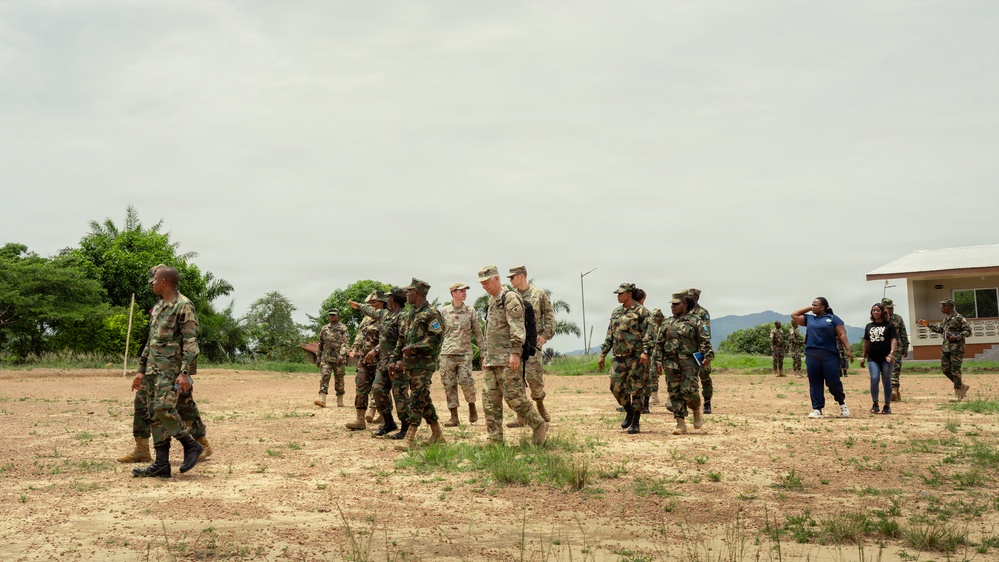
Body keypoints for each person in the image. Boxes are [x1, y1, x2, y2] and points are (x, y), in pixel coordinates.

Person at [119, 266, 213, 465]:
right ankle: (142, 449)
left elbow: (191, 342)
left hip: (172, 371)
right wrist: (140, 371)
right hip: (152, 371)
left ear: (163, 282)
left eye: (154, 280)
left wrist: (185, 373)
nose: (151, 283)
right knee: (142, 405)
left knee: (181, 406)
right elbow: (151, 341)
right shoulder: (159, 307)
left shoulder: (184, 306)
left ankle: (200, 445)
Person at [477, 265, 548, 445]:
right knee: (489, 402)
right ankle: (495, 439)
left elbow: (517, 327)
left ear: (496, 279)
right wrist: (485, 357)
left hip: (508, 360)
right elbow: (490, 331)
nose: (484, 286)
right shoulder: (492, 301)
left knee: (515, 399)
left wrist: (515, 353)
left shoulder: (509, 298)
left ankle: (538, 424)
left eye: (486, 282)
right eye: (482, 284)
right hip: (493, 361)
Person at [392, 278, 445, 451]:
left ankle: (410, 437)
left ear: (419, 293)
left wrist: (414, 348)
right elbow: (401, 338)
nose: (407, 295)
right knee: (423, 397)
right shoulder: (410, 313)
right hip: (410, 364)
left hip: (424, 364)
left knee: (416, 398)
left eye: (410, 291)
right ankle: (437, 434)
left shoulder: (432, 313)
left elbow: (435, 339)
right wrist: (395, 359)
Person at [351, 287, 407, 437]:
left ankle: (405, 428)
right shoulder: (386, 314)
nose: (387, 299)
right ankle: (388, 422)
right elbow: (371, 312)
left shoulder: (402, 317)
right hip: (384, 361)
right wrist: (359, 305)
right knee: (377, 389)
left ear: (393, 299)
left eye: (389, 297)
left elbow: (405, 340)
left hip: (396, 361)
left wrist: (399, 359)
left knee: (399, 394)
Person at [656, 291, 713, 434]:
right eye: (672, 304)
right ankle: (680, 423)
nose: (673, 307)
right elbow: (659, 344)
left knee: (690, 390)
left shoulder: (696, 322)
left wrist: (707, 357)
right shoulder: (667, 323)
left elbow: (704, 341)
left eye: (676, 304)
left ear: (685, 304)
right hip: (670, 363)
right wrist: (657, 361)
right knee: (674, 392)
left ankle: (696, 411)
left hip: (689, 363)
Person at [598, 283, 651, 434]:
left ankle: (636, 422)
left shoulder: (642, 312)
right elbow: (610, 335)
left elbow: (649, 333)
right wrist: (603, 354)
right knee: (615, 386)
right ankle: (629, 411)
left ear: (629, 294)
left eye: (620, 293)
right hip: (619, 357)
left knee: (637, 389)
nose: (618, 296)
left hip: (636, 356)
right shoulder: (616, 312)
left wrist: (645, 352)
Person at [507, 265, 556, 426]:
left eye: (512, 277)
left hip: (533, 345)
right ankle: (521, 417)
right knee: (516, 381)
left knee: (534, 379)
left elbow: (549, 316)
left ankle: (540, 404)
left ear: (521, 276)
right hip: (516, 345)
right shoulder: (510, 296)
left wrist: (543, 337)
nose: (510, 280)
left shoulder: (538, 294)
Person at [791, 297, 853, 419]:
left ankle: (842, 404)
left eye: (816, 305)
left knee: (833, 381)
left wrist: (848, 349)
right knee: (815, 382)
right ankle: (817, 409)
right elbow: (794, 315)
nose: (813, 306)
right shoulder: (809, 319)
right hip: (812, 355)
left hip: (829, 355)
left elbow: (841, 333)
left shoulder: (833, 318)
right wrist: (810, 308)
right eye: (812, 305)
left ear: (823, 307)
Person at [438, 282, 485, 426]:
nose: (464, 293)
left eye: (465, 291)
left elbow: (478, 332)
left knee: (466, 381)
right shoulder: (444, 311)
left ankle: (472, 406)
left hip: (464, 354)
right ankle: (454, 416)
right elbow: (437, 332)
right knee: (449, 384)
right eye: (461, 291)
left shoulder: (470, 311)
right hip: (447, 353)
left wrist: (483, 353)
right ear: (453, 293)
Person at [345, 292, 387, 431]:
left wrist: (376, 350)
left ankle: (385, 419)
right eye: (369, 303)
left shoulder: (387, 317)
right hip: (364, 359)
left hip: (381, 360)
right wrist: (354, 348)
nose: (371, 305)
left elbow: (388, 339)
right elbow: (360, 336)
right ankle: (360, 420)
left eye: (374, 302)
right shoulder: (365, 320)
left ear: (382, 303)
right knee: (361, 386)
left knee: (379, 390)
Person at [918, 298, 972, 401]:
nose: (941, 308)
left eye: (943, 305)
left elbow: (968, 331)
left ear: (950, 306)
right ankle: (962, 386)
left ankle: (958, 394)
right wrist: (928, 325)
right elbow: (940, 330)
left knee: (955, 371)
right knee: (945, 369)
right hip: (946, 348)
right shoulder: (946, 319)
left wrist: (956, 337)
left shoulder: (959, 318)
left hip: (956, 349)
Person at [860, 302, 898, 414]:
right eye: (873, 310)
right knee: (874, 379)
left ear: (883, 312)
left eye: (877, 310)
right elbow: (866, 342)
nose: (875, 312)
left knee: (886, 381)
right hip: (873, 358)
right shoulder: (869, 326)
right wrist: (863, 357)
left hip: (886, 357)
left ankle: (887, 405)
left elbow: (893, 340)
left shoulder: (889, 326)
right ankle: (875, 404)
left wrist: (892, 353)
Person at [314, 309, 350, 408]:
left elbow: (345, 343)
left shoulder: (343, 328)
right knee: (325, 376)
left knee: (339, 379)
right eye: (330, 315)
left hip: (339, 359)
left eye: (334, 315)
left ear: (338, 316)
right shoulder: (324, 328)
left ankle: (340, 400)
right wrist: (318, 357)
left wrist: (342, 355)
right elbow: (320, 343)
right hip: (326, 358)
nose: (332, 317)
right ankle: (322, 399)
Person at [687, 288, 715, 413]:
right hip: (687, 349)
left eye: (691, 296)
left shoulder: (702, 312)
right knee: (687, 378)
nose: (688, 298)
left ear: (696, 298)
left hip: (700, 350)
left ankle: (707, 403)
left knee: (704, 376)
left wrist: (706, 353)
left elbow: (706, 332)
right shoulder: (683, 310)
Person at [881, 298, 910, 402]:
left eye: (892, 307)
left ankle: (894, 388)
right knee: (885, 370)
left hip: (897, 348)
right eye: (889, 308)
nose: (891, 309)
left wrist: (906, 347)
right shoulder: (879, 319)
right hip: (882, 348)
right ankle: (893, 390)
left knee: (895, 368)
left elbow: (903, 333)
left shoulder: (898, 318)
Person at [648, 308, 666, 405]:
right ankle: (654, 396)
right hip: (655, 354)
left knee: (672, 375)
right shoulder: (653, 327)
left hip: (667, 353)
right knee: (653, 373)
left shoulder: (667, 325)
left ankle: (671, 398)